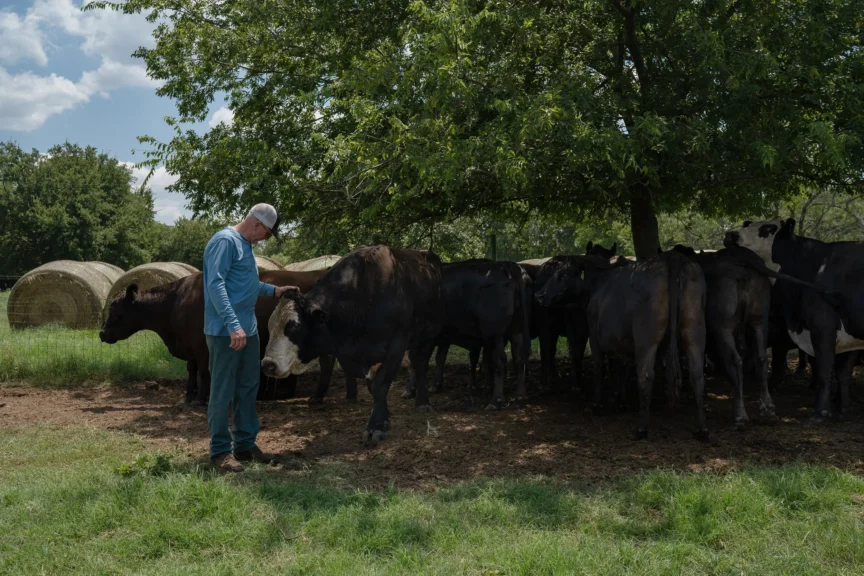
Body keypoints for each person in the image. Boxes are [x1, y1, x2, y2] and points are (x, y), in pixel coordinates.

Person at [203, 203, 296, 472]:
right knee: (222, 391)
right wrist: (233, 325)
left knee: (247, 387)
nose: (266, 240)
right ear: (257, 224)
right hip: (226, 332)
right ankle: (220, 452)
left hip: (248, 330)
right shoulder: (225, 241)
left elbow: (246, 284)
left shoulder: (245, 245)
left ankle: (244, 445)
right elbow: (215, 284)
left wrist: (275, 290)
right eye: (267, 234)